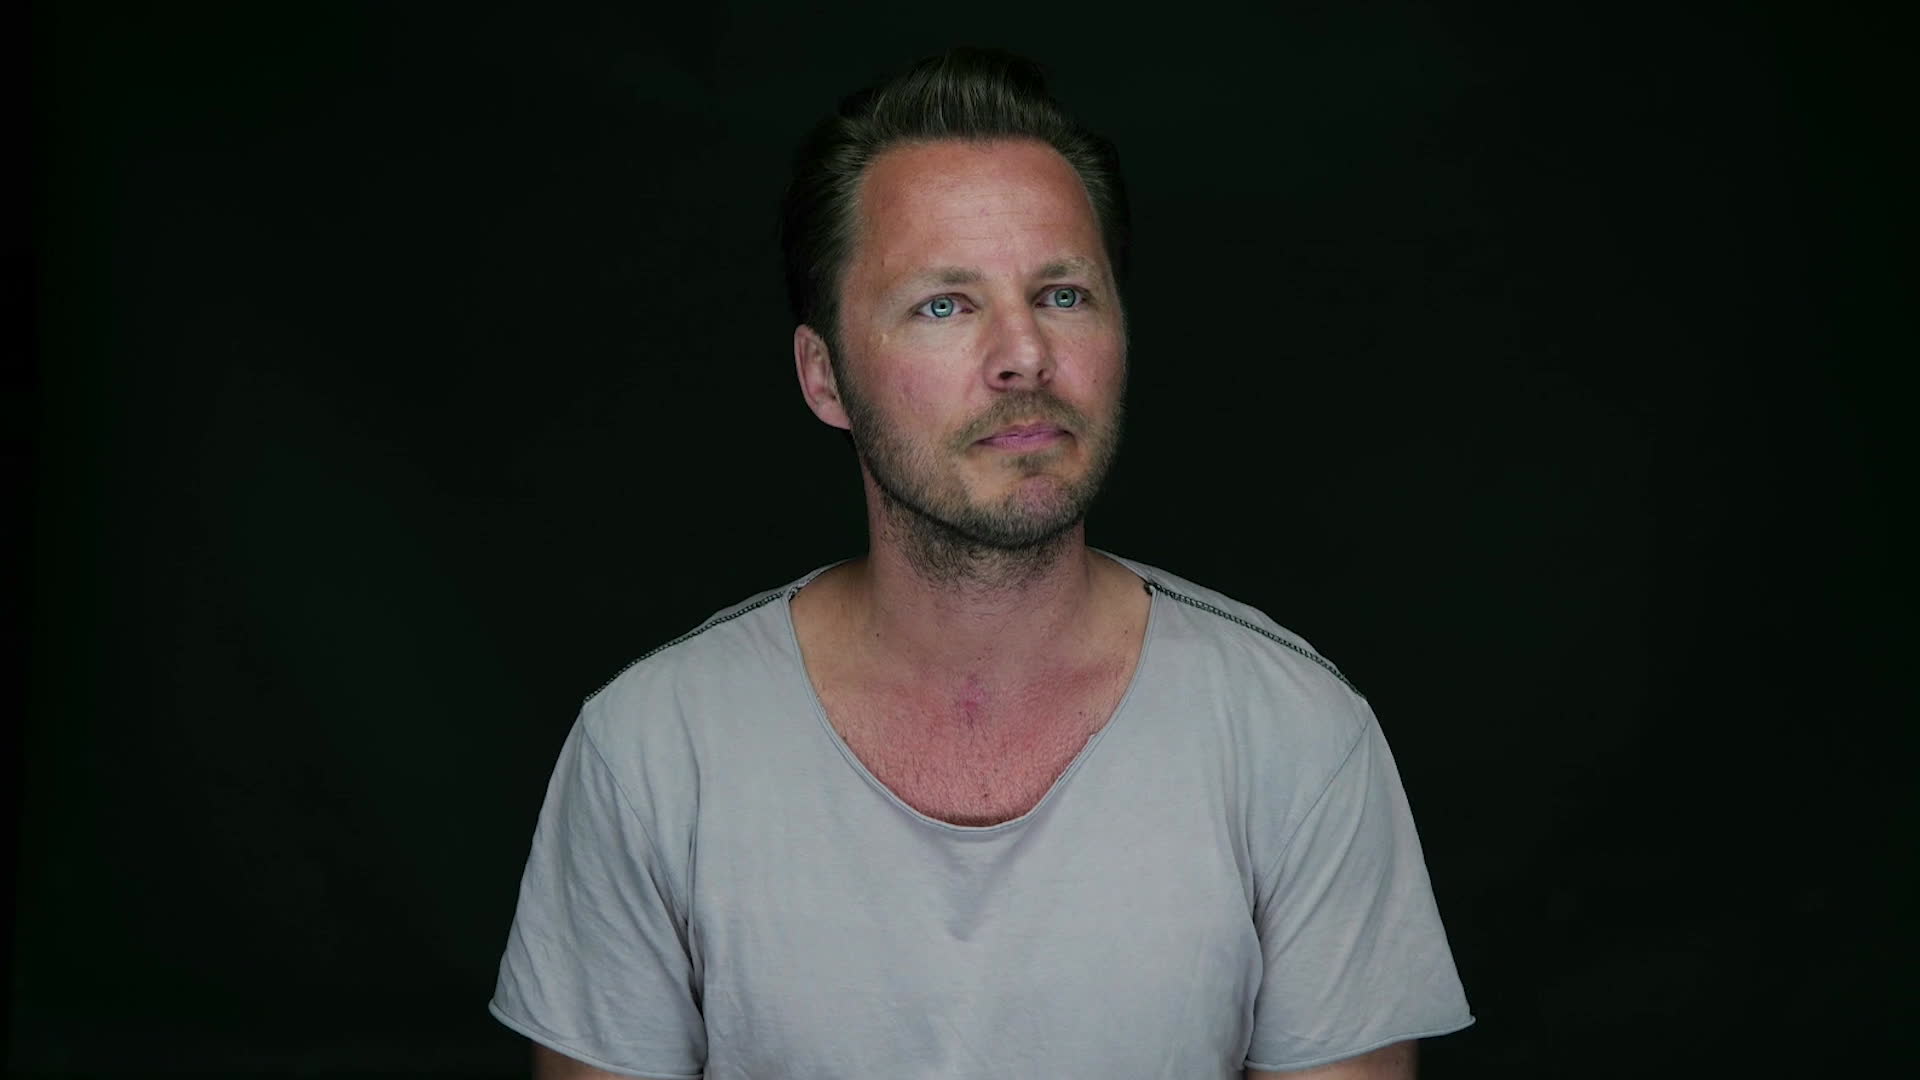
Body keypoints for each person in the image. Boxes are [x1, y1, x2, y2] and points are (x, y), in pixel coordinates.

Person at [489, 47, 1472, 1079]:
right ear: (825, 378)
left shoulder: (1297, 738)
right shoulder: (653, 754)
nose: (1025, 355)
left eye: (1063, 295)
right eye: (944, 305)